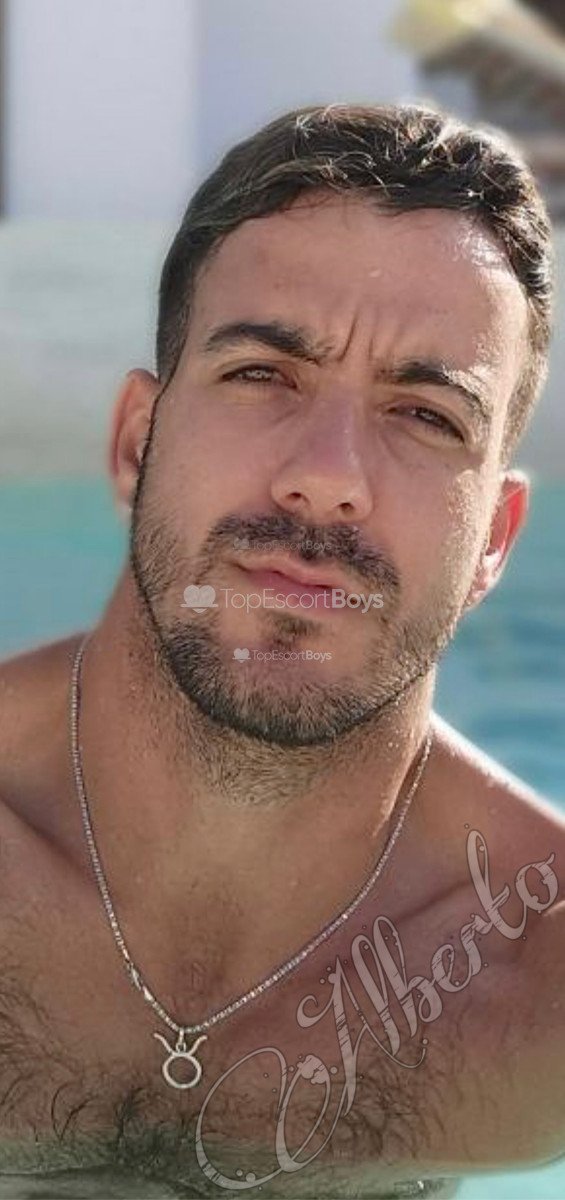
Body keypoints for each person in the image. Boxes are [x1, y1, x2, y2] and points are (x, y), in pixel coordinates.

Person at [0, 101, 563, 1200]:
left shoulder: (538, 980)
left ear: (493, 542)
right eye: (263, 374)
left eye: (424, 415)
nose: (326, 476)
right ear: (135, 444)